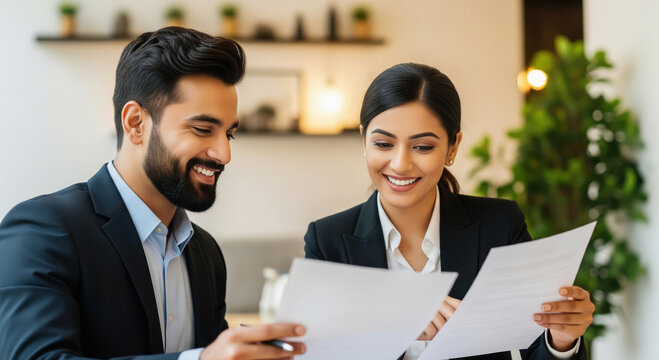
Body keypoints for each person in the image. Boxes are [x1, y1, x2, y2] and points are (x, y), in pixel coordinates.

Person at [0, 27, 305, 360]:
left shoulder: (206, 254)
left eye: (229, 135)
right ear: (136, 124)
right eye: (203, 129)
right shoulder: (43, 230)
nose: (223, 154)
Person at [304, 63, 594, 360]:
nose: (401, 164)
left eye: (423, 147)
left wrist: (561, 340)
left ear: (453, 147)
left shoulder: (498, 226)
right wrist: (393, 324)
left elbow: (535, 345)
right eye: (383, 143)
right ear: (364, 140)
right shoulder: (328, 242)